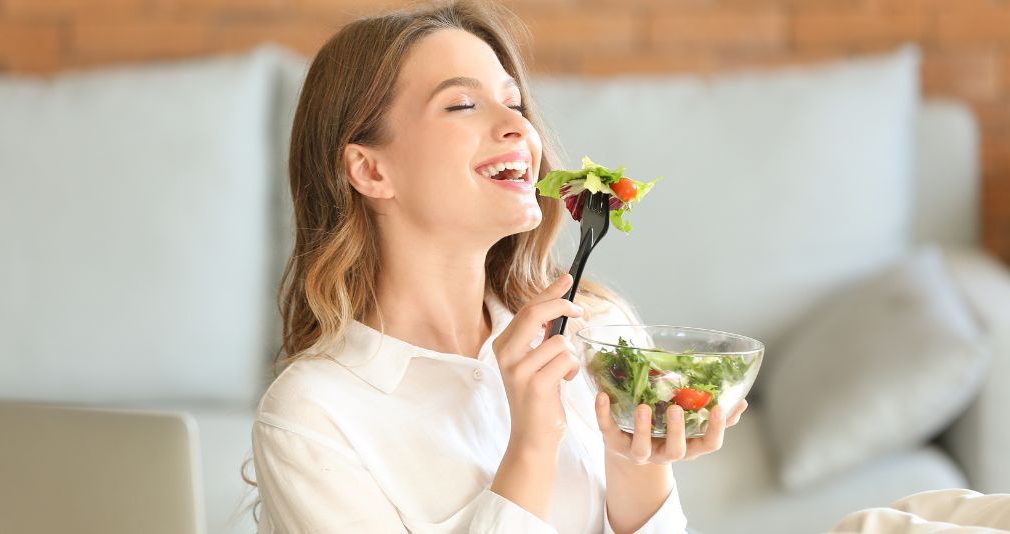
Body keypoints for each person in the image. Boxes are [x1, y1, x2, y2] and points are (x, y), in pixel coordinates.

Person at [241, 1, 747, 532]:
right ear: (369, 170)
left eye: (515, 102)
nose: (518, 127)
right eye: (462, 105)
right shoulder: (312, 417)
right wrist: (530, 445)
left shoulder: (595, 333)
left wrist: (634, 460)